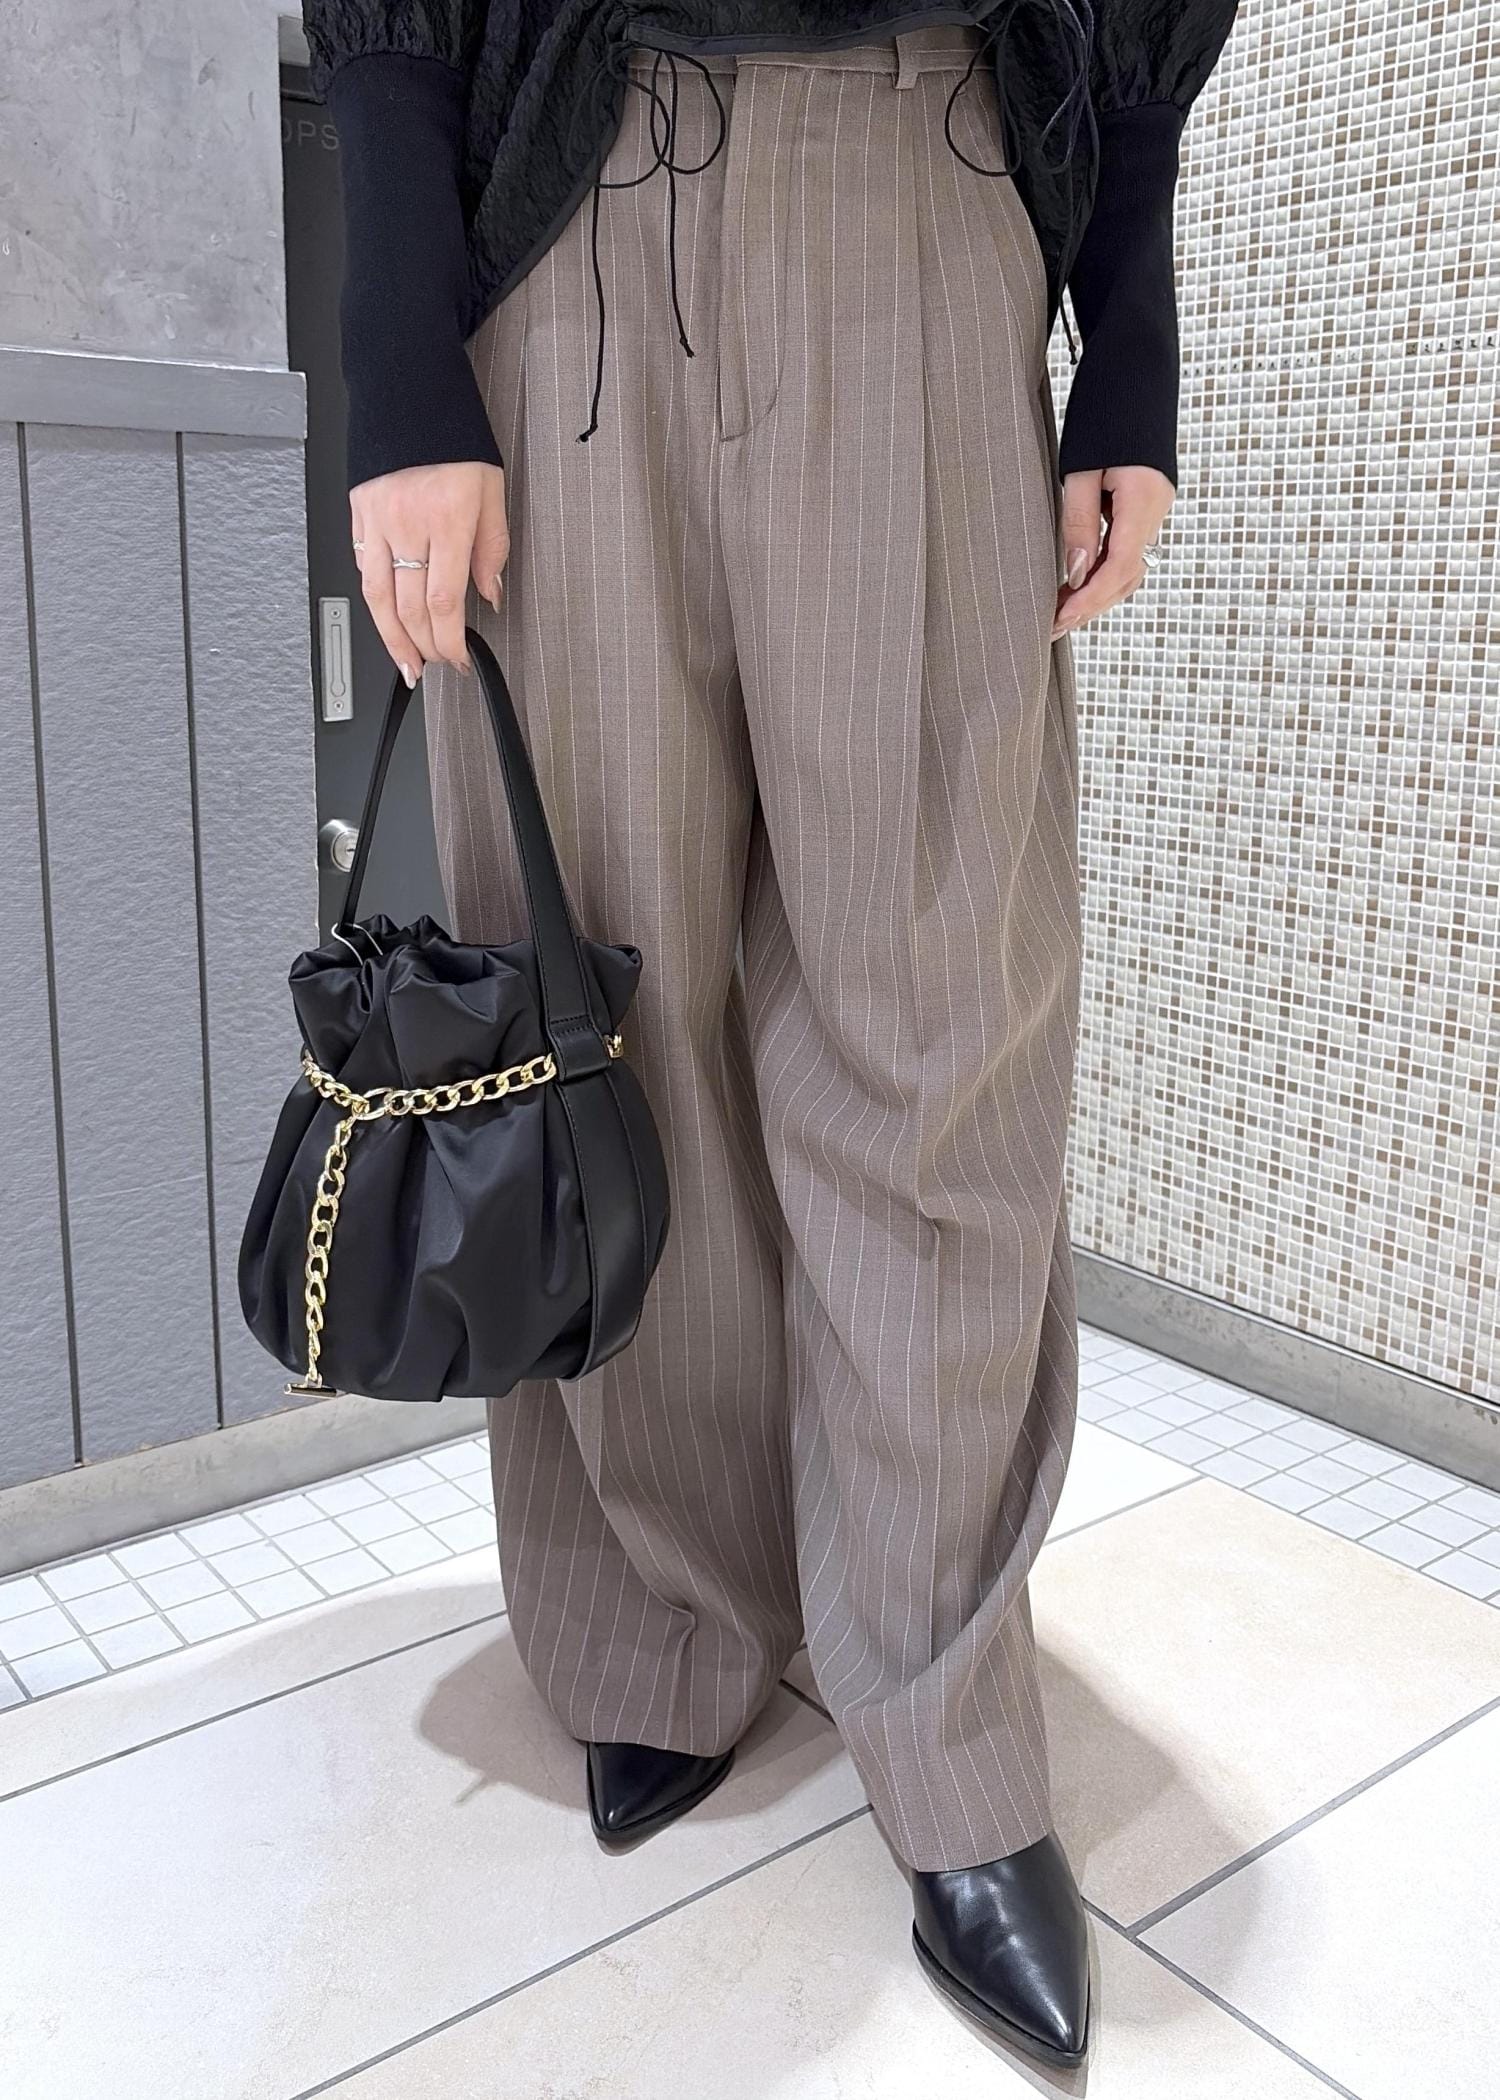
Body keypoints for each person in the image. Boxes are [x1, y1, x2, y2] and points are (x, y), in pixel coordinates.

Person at [304, 0, 1238, 2068]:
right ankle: (660, 1623)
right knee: (595, 1036)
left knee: (938, 1038)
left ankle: (948, 1721)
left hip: (933, 196)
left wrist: (1133, 336)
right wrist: (397, 354)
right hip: (566, 226)